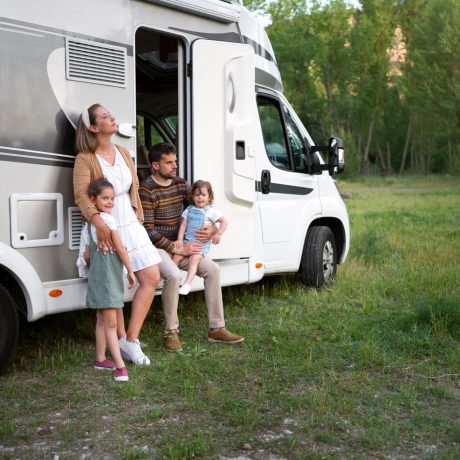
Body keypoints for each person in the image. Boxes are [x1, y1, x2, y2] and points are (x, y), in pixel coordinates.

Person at [73, 104, 161, 366]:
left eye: (111, 113)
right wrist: (99, 223)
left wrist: (140, 218)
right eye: (104, 116)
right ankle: (120, 339)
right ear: (93, 127)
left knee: (151, 276)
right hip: (106, 225)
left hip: (130, 222)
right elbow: (81, 196)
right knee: (116, 284)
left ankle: (130, 340)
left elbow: (132, 190)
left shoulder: (123, 151)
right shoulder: (85, 158)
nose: (112, 117)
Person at [139, 142, 244, 351]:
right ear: (155, 165)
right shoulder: (146, 189)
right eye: (169, 162)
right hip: (159, 247)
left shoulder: (180, 184)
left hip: (183, 244)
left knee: (212, 269)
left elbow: (200, 208)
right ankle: (171, 332)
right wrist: (177, 248)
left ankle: (216, 329)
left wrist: (213, 230)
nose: (175, 165)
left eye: (175, 161)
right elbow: (148, 230)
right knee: (173, 276)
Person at [83, 179, 136, 382]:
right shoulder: (108, 221)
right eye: (105, 198)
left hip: (97, 275)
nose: (110, 202)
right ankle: (120, 367)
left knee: (101, 319)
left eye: (112, 198)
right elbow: (120, 248)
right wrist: (130, 270)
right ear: (93, 199)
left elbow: (87, 255)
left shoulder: (89, 224)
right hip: (107, 276)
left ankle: (100, 359)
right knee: (111, 323)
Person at [173, 180, 228, 295]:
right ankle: (172, 279)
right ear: (193, 197)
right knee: (177, 256)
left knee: (194, 259)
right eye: (197, 195)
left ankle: (187, 284)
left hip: (200, 245)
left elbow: (224, 221)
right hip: (187, 242)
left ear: (209, 197)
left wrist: (218, 234)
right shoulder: (189, 210)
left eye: (203, 195)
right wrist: (179, 239)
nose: (200, 198)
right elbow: (183, 225)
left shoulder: (211, 212)